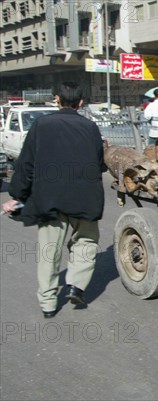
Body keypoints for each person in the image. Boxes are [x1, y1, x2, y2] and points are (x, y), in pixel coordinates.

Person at [1, 82, 105, 318]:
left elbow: (26, 164)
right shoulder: (90, 127)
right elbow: (99, 163)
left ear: (56, 100)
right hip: (85, 198)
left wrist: (17, 196)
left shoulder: (41, 125)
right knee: (86, 241)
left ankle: (48, 303)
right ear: (81, 103)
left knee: (50, 251)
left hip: (50, 199)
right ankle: (76, 285)